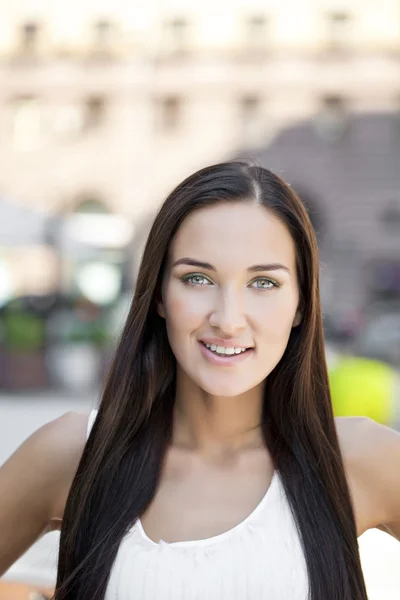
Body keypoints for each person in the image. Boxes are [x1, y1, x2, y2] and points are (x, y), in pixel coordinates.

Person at [1, 161, 399, 600]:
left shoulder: (356, 460)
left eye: (263, 282)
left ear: (302, 304)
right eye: (197, 278)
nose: (227, 320)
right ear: (158, 295)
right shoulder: (75, 454)